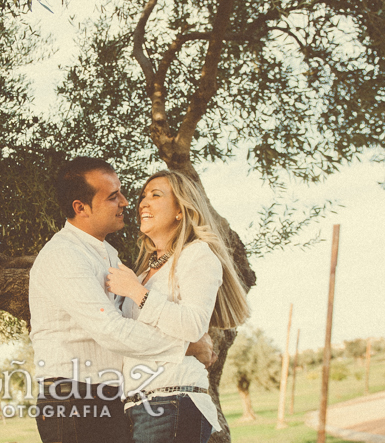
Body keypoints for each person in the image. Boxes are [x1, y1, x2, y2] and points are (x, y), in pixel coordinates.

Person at [29, 157, 212, 443]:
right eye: (113, 196)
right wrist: (185, 345)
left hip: (110, 398)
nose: (126, 202)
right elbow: (111, 330)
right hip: (75, 401)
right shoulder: (64, 256)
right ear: (81, 208)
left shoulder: (108, 255)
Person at [106, 170, 250, 443]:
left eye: (155, 195)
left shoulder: (196, 255)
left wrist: (137, 293)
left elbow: (193, 324)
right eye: (143, 196)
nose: (143, 203)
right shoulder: (141, 274)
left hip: (172, 400)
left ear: (180, 211)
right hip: (139, 405)